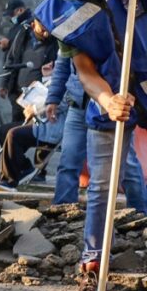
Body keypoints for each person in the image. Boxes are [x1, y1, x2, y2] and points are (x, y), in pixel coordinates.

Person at [22, 0, 147, 291]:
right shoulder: (58, 13)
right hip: (113, 91)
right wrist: (107, 100)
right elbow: (85, 71)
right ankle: (92, 270)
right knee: (101, 187)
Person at [45, 51, 147, 210]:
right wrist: (53, 97)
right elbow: (63, 65)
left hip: (112, 106)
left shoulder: (116, 29)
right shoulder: (70, 32)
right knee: (68, 161)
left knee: (127, 165)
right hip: (78, 105)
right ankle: (62, 211)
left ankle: (141, 212)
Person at [0, 59, 65, 190]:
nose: (50, 65)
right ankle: (24, 167)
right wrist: (47, 76)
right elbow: (44, 94)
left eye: (54, 64)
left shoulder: (69, 77)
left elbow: (60, 102)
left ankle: (9, 181)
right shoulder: (55, 77)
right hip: (38, 121)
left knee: (14, 134)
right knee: (3, 130)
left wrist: (35, 109)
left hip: (52, 125)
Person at [0, 0, 57, 123]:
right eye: (41, 26)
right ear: (33, 25)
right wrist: (5, 83)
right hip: (19, 93)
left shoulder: (55, 43)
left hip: (40, 98)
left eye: (47, 26)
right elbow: (11, 58)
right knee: (14, 129)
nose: (45, 31)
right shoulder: (22, 34)